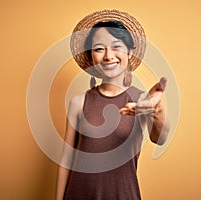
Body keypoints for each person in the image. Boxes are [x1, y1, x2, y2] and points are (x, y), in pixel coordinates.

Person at [56, 9, 170, 200]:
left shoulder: (142, 100)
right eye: (99, 48)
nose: (109, 56)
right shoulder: (78, 102)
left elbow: (160, 138)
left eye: (116, 46)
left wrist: (156, 110)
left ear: (129, 52)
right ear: (91, 56)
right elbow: (66, 161)